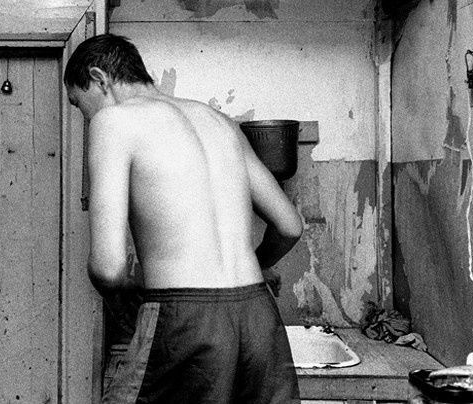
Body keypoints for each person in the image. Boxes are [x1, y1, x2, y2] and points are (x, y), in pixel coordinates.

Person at [64, 33, 304, 404]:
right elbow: (290, 225)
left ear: (99, 79)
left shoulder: (114, 122)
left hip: (185, 320)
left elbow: (108, 268)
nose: (86, 116)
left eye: (80, 105)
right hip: (258, 317)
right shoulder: (221, 122)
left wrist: (132, 292)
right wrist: (250, 266)